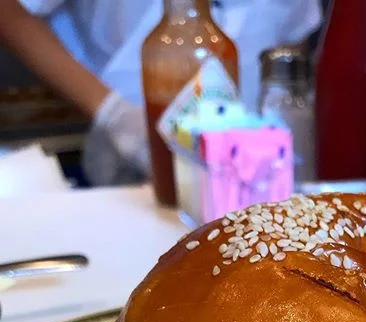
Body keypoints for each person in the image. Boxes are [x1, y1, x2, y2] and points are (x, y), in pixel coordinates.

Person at [0, 0, 321, 185]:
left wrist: (284, 115)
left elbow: (294, 29)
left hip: (258, 172)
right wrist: (112, 112)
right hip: (137, 167)